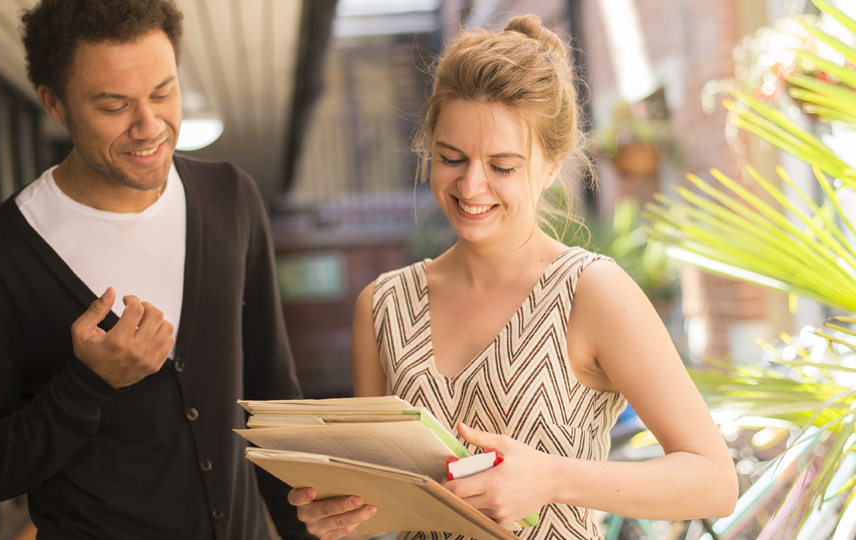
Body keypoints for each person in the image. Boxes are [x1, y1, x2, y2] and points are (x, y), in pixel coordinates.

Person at [288, 13, 738, 540]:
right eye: (451, 158)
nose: (471, 186)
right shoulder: (383, 304)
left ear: (551, 166)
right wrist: (340, 518)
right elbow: (384, 503)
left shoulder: (591, 292)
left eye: (502, 166)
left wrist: (551, 478)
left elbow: (715, 481)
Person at [0, 1, 312, 538]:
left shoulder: (230, 197)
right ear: (54, 104)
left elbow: (273, 398)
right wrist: (87, 385)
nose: (150, 125)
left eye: (163, 92)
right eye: (114, 106)